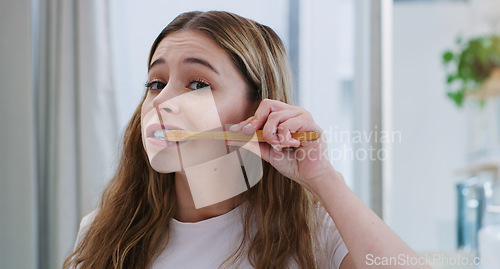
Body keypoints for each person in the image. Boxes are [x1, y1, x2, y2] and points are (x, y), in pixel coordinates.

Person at [63, 11, 425, 269]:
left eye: (198, 83)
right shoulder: (102, 232)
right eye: (156, 83)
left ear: (258, 109)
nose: (160, 101)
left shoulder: (316, 233)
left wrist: (323, 178)